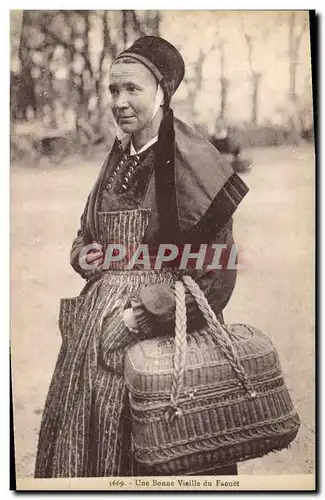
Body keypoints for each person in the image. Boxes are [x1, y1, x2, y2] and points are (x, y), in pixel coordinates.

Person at [34, 36, 249, 478]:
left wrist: (141, 317)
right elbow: (87, 230)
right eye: (114, 90)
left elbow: (216, 269)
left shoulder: (190, 162)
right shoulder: (119, 157)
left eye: (133, 89)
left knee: (159, 458)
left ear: (162, 93)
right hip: (95, 339)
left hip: (158, 342)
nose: (120, 101)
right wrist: (85, 254)